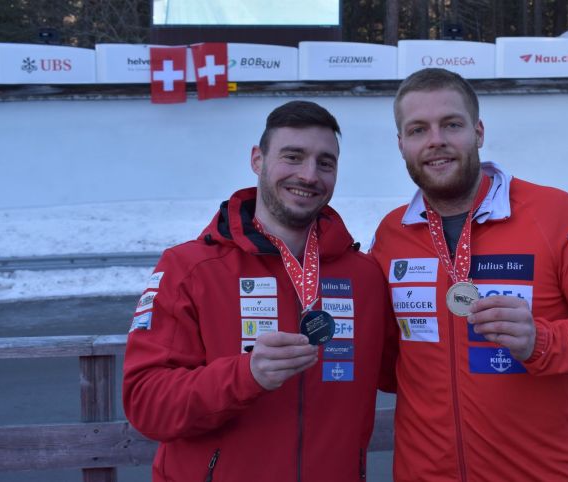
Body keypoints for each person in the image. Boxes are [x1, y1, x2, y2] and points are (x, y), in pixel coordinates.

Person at [369, 68, 568, 481]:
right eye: (417, 130)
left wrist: (544, 341)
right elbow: (390, 359)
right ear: (401, 144)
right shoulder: (392, 233)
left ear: (478, 132)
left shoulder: (555, 213)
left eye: (451, 124)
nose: (436, 141)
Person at [123, 100, 397, 481]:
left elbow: (411, 370)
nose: (309, 175)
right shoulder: (189, 268)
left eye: (325, 162)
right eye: (293, 156)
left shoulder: (364, 275)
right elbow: (146, 404)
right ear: (257, 159)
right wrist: (245, 375)